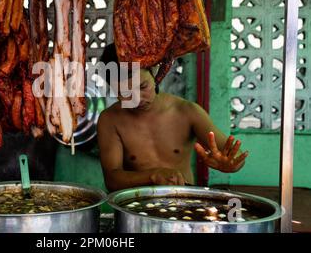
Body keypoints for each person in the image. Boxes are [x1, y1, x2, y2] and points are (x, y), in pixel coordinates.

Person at [97, 44, 249, 191]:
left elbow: (234, 155)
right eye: (125, 94)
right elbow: (112, 180)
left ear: (154, 73)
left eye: (142, 87)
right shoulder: (110, 120)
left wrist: (232, 164)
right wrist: (153, 175)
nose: (138, 99)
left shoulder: (187, 112)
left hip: (183, 205)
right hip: (134, 208)